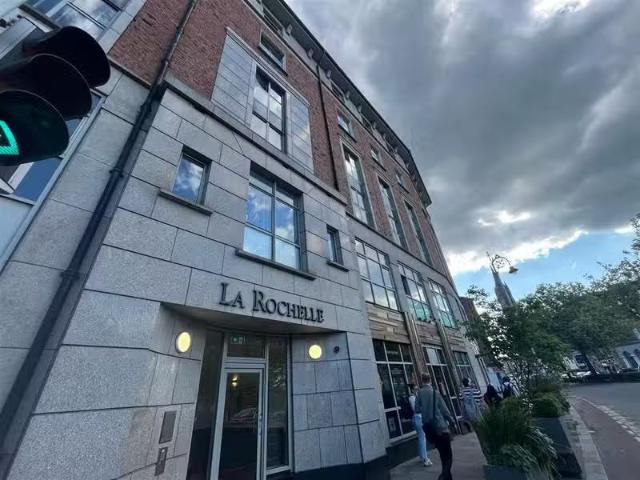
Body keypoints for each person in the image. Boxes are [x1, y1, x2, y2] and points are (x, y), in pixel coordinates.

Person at [416, 373, 455, 480]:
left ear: (422, 380)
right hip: (441, 427)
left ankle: (447, 477)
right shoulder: (435, 392)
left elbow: (417, 409)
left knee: (442, 453)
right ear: (430, 380)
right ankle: (443, 476)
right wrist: (451, 420)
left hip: (430, 428)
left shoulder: (419, 393)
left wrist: (425, 409)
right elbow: (444, 410)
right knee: (448, 455)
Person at [408, 383, 432, 467]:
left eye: (417, 389)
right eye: (415, 389)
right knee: (422, 438)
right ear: (412, 390)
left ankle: (422, 456)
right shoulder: (412, 398)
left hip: (418, 418)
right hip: (418, 418)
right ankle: (425, 459)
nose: (417, 390)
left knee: (421, 437)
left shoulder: (415, 397)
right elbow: (416, 409)